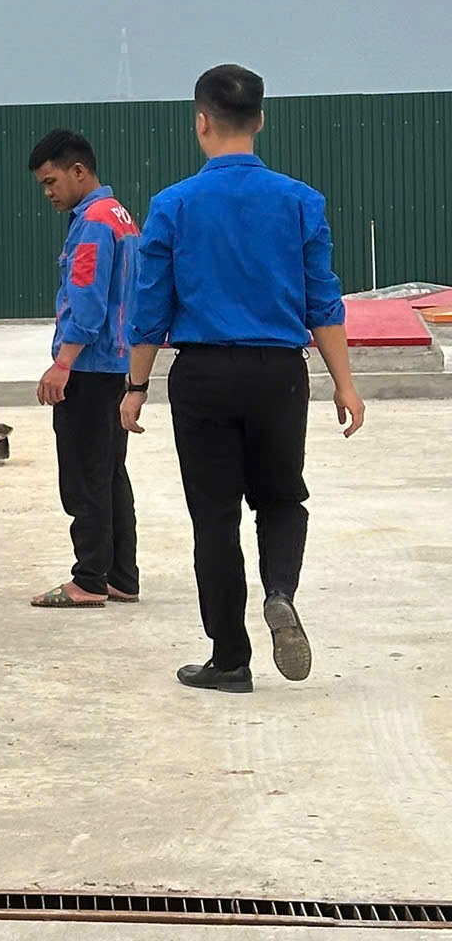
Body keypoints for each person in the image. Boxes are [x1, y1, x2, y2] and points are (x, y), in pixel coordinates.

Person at [124, 64, 364, 693]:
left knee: (214, 518)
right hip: (279, 374)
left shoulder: (173, 204)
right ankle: (279, 591)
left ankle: (230, 659)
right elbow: (323, 302)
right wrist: (344, 384)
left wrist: (135, 387)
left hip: (203, 375)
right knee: (281, 499)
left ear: (201, 122)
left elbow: (151, 307)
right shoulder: (300, 201)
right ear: (260, 120)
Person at [28, 129, 142, 611]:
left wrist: (63, 363)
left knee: (84, 477)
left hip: (90, 369)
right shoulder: (120, 216)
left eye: (51, 181)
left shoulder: (93, 223)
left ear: (79, 171)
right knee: (111, 473)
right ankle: (121, 576)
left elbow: (88, 302)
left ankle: (89, 580)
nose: (48, 192)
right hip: (116, 365)